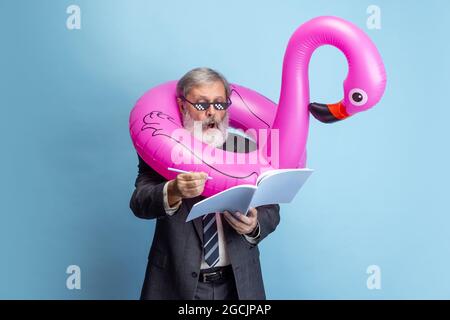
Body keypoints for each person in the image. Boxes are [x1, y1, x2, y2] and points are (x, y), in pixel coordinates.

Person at [130, 67, 280, 300]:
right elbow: (140, 203)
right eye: (202, 105)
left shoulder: (245, 148)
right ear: (182, 106)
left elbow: (271, 209)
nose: (212, 112)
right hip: (177, 285)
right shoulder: (162, 147)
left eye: (219, 104)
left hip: (238, 284)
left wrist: (253, 225)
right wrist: (173, 191)